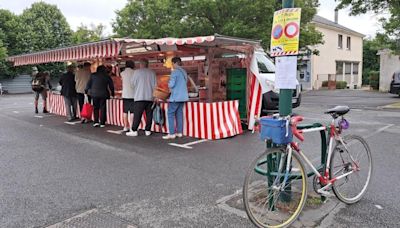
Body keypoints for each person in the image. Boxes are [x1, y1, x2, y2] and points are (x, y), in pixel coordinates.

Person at [126, 59, 156, 137]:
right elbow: (155, 86)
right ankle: (148, 130)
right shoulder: (152, 73)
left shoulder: (137, 72)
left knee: (137, 115)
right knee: (149, 115)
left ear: (140, 64)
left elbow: (132, 84)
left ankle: (134, 130)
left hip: (139, 97)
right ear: (147, 64)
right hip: (150, 97)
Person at [163, 57, 189, 139]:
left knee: (170, 114)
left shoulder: (175, 72)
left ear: (174, 63)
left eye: (172, 63)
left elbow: (171, 85)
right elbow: (186, 81)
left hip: (176, 97)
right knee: (179, 114)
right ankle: (179, 132)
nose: (172, 65)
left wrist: (168, 83)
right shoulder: (184, 71)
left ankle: (171, 133)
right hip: (183, 97)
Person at [120, 60, 135, 132]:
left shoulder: (122, 73)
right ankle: (132, 127)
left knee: (125, 111)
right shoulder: (134, 73)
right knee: (132, 112)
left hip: (125, 94)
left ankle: (125, 126)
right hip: (133, 94)